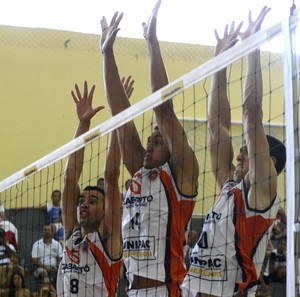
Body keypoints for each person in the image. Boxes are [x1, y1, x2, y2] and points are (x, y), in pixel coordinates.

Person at [182, 6, 286, 297]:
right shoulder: (230, 187)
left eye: (246, 152)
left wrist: (253, 48)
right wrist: (220, 63)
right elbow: (217, 125)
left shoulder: (262, 193)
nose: (239, 156)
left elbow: (252, 114)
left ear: (269, 160)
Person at [100, 1, 199, 295]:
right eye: (149, 141)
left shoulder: (181, 175)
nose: (148, 146)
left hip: (165, 289)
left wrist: (152, 43)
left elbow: (163, 110)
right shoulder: (140, 174)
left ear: (171, 150)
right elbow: (120, 115)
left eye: (157, 142)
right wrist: (106, 54)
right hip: (131, 290)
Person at [56, 81, 127, 297]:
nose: (84, 204)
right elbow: (70, 179)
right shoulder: (72, 235)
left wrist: (118, 118)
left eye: (93, 201)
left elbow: (111, 177)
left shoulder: (109, 238)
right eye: (82, 201)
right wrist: (83, 125)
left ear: (107, 210)